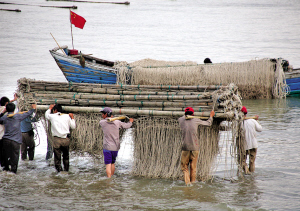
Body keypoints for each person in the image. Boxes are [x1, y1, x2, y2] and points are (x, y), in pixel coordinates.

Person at [178, 107, 215, 186]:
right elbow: (208, 123)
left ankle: (188, 185)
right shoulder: (196, 120)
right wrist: (211, 116)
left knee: (184, 168)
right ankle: (193, 183)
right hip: (195, 147)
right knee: (193, 167)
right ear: (193, 114)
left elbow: (182, 117)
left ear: (185, 114)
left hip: (185, 147)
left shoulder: (180, 120)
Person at [0, 102, 36, 173]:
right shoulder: (18, 116)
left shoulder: (4, 117)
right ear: (14, 110)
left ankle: (6, 171)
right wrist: (33, 109)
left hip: (6, 141)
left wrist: (2, 112)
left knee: (6, 158)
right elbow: (28, 114)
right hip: (15, 141)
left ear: (6, 110)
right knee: (15, 158)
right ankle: (13, 172)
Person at [99, 107, 134, 178]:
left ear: (106, 114)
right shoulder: (117, 122)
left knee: (108, 164)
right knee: (112, 163)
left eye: (103, 114)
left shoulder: (102, 122)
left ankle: (109, 179)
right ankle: (112, 177)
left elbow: (106, 121)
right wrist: (130, 121)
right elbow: (127, 126)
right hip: (115, 148)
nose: (102, 115)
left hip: (107, 147)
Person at [45, 104, 76, 173]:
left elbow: (46, 115)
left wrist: (49, 108)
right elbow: (73, 127)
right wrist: (72, 118)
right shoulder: (67, 116)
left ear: (55, 110)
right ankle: (66, 171)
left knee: (57, 158)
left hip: (56, 140)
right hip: (65, 140)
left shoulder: (52, 116)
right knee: (66, 157)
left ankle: (59, 172)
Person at [240, 106, 262, 174]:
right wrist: (256, 121)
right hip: (253, 145)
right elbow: (260, 129)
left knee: (242, 161)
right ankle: (251, 176)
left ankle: (246, 170)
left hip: (244, 145)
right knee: (252, 161)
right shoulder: (252, 121)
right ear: (246, 114)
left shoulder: (239, 123)